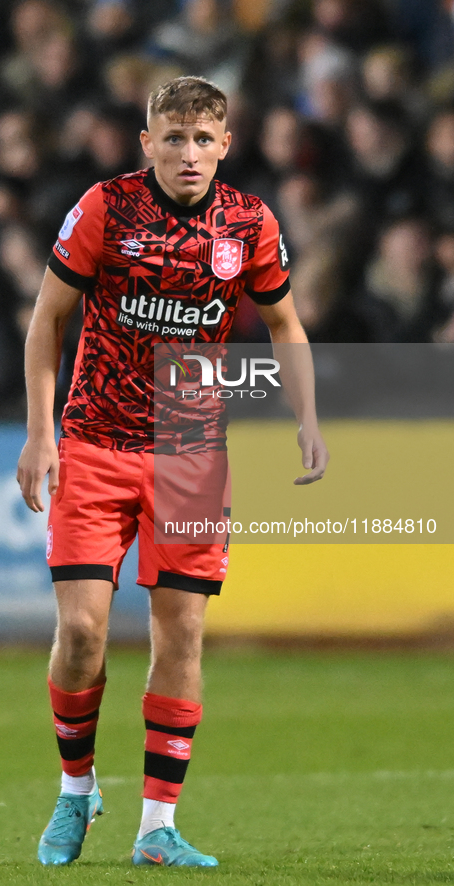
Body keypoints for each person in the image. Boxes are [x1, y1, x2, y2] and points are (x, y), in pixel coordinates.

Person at [17, 75, 329, 868]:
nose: (187, 152)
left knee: (180, 630)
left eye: (202, 139)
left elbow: (285, 323)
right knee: (83, 630)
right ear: (146, 142)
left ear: (225, 145)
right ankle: (76, 791)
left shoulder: (248, 222)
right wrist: (38, 435)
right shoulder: (105, 209)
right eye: (172, 136)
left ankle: (157, 827)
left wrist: (307, 417)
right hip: (95, 441)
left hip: (192, 456)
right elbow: (50, 317)